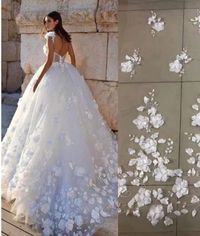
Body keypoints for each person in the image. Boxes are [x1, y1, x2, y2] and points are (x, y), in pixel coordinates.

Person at [1, 11, 118, 236]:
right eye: (44, 21)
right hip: (67, 77)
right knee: (65, 122)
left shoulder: (51, 37)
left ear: (56, 22)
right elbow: (72, 60)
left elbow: (47, 62)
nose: (46, 24)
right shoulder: (67, 37)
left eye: (49, 21)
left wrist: (38, 81)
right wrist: (68, 73)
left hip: (52, 78)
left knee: (43, 122)